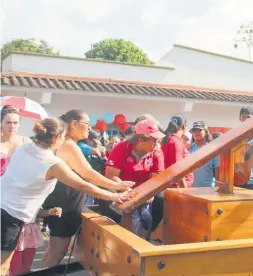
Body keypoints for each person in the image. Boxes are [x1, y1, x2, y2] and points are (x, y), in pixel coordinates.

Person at [1, 118, 133, 275]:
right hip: (11, 214)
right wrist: (113, 196)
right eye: (64, 137)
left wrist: (116, 187)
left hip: (3, 204)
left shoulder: (24, 147)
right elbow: (82, 184)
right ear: (57, 139)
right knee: (3, 265)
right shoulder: (52, 163)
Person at [41, 110, 134, 268]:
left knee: (54, 250)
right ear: (73, 124)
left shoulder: (69, 144)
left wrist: (115, 186)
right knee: (57, 251)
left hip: (65, 203)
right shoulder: (69, 145)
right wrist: (116, 187)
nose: (89, 129)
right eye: (87, 124)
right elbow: (88, 173)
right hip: (64, 204)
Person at [106, 118, 165, 238]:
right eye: (154, 140)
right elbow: (111, 175)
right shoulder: (121, 148)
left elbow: (157, 178)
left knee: (160, 200)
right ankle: (116, 235)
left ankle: (146, 235)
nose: (157, 143)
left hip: (145, 189)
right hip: (122, 187)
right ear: (140, 140)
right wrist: (125, 189)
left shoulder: (157, 151)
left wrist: (149, 192)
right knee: (114, 205)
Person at [9, 207, 62, 275]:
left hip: (31, 231)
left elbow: (37, 211)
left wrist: (50, 212)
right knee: (15, 267)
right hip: (15, 229)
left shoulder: (34, 198)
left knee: (26, 266)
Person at [161, 115, 193, 188]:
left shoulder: (170, 139)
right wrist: (184, 190)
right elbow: (177, 169)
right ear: (184, 127)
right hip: (176, 187)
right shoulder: (175, 142)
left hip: (174, 185)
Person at [0, 106, 32, 176]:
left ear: (19, 124)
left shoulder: (26, 142)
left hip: (20, 183)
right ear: (1, 122)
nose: (12, 126)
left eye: (15, 123)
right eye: (8, 122)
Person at [190, 121, 220, 187]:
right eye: (194, 130)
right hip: (190, 189)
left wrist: (217, 186)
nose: (196, 133)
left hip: (208, 189)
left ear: (205, 131)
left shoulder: (212, 149)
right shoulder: (189, 149)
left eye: (199, 130)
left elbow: (218, 168)